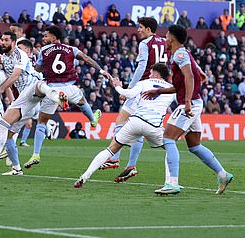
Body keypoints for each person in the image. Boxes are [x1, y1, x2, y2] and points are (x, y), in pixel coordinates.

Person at [142, 25, 233, 195]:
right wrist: (159, 91)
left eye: (167, 36)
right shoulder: (182, 53)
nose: (165, 39)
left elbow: (189, 76)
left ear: (172, 39)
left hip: (189, 104)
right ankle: (223, 174)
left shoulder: (180, 54)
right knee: (194, 145)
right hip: (194, 102)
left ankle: (173, 183)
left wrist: (188, 102)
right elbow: (185, 80)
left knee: (168, 138)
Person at [0, 32, 65, 173]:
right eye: (2, 40)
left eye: (6, 40)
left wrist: (0, 88)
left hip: (30, 91)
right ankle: (16, 168)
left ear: (13, 42)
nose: (3, 42)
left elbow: (15, 75)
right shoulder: (8, 57)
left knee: (4, 123)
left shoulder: (19, 54)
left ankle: (56, 97)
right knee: (8, 133)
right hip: (28, 100)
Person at [74, 63, 175, 188]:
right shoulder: (171, 89)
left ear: (155, 74)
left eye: (151, 72)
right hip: (154, 126)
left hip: (135, 122)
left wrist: (117, 86)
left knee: (110, 149)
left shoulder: (144, 83)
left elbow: (127, 94)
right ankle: (170, 183)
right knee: (171, 149)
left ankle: (84, 177)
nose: (149, 75)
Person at [24, 25, 105, 170]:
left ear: (54, 38)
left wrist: (35, 63)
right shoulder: (71, 49)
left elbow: (38, 69)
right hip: (69, 87)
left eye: (46, 36)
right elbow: (86, 58)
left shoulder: (43, 51)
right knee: (81, 101)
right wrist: (101, 70)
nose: (43, 38)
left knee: (41, 122)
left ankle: (36, 154)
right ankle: (92, 120)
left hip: (52, 89)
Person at [100, 17, 168, 181]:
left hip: (143, 87)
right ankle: (129, 165)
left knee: (122, 121)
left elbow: (142, 66)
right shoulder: (164, 42)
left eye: (141, 27)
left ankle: (115, 159)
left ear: (149, 30)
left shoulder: (145, 44)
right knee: (133, 125)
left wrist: (130, 87)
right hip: (159, 87)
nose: (138, 30)